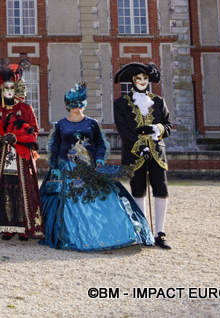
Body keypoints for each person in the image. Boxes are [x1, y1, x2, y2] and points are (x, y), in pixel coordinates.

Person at [40, 82, 154, 251]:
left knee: (106, 198)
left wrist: (100, 159)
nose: (77, 108)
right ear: (67, 106)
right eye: (73, 105)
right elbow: (55, 147)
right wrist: (55, 166)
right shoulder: (61, 125)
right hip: (66, 168)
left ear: (84, 104)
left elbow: (100, 144)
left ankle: (113, 233)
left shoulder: (92, 124)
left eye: (80, 104)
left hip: (89, 167)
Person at [0, 59, 44, 240]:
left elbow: (34, 132)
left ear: (16, 90)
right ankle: (8, 225)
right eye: (5, 89)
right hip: (1, 156)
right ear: (1, 90)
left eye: (11, 89)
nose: (8, 92)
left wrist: (16, 138)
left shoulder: (25, 109)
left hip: (22, 156)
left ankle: (24, 226)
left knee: (22, 190)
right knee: (5, 190)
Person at [113, 62, 173, 250]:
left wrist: (157, 128)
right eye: (138, 78)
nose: (142, 81)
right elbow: (123, 129)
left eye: (145, 78)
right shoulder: (121, 103)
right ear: (132, 80)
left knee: (161, 189)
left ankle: (160, 233)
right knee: (138, 190)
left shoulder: (159, 101)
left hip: (157, 153)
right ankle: (143, 231)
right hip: (134, 153)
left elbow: (169, 125)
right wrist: (140, 147)